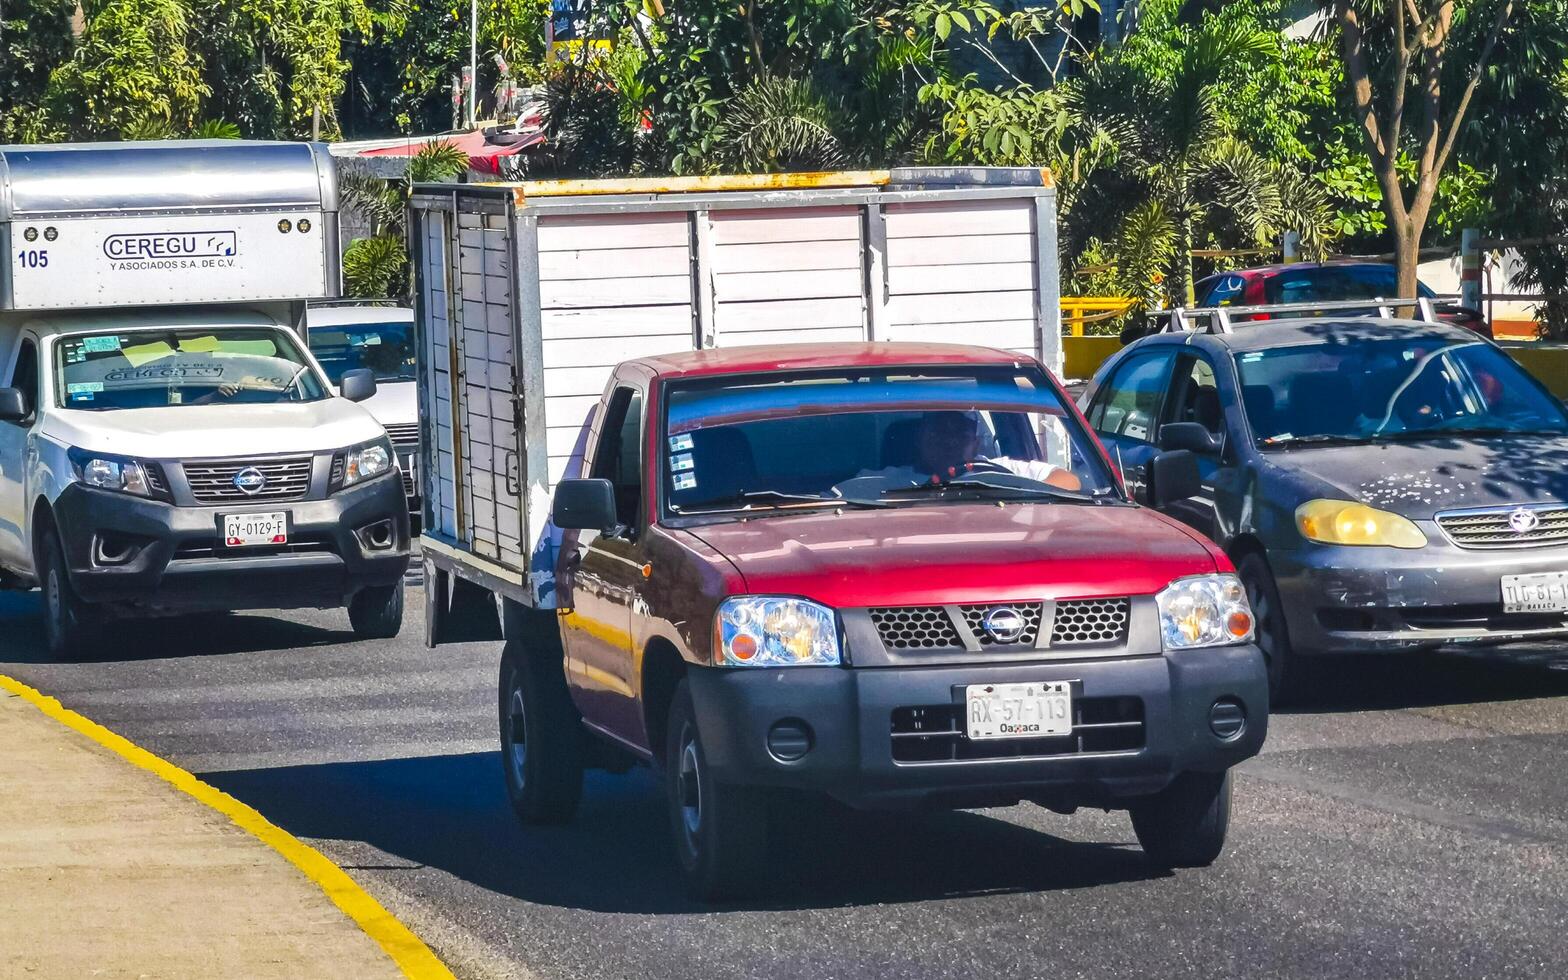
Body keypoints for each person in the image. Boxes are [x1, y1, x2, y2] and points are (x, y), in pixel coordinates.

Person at [845, 411, 1083, 492]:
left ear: (977, 444)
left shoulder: (1003, 469)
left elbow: (1069, 480)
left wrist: (1018, 493)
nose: (949, 441)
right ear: (919, 440)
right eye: (938, 432)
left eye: (959, 433)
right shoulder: (886, 480)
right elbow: (839, 499)